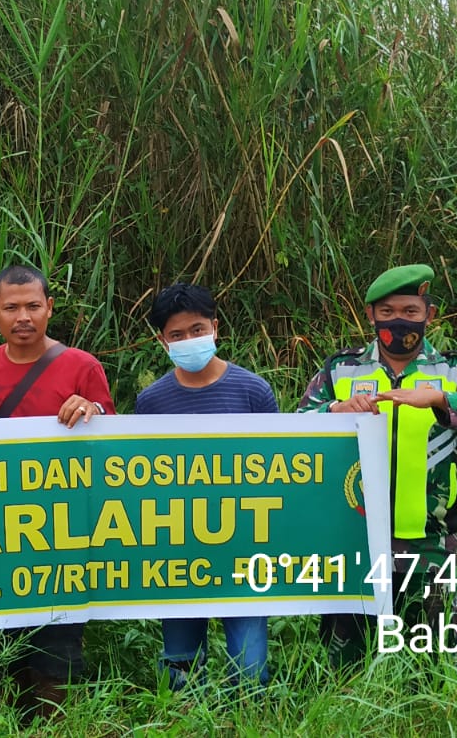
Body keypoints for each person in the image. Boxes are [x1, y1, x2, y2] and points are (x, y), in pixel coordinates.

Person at [296, 263, 457, 669]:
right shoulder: (341, 369)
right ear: (371, 316)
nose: (399, 321)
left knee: (438, 665)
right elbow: (297, 429)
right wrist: (336, 409)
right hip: (352, 537)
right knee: (346, 666)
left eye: (411, 312)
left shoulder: (453, 370)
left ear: (429, 315)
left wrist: (440, 401)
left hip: (428, 539)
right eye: (388, 311)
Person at [0, 264, 115, 717]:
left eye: (33, 306)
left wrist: (93, 408)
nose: (24, 316)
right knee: (1, 647)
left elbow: (115, 443)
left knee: (57, 647)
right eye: (12, 307)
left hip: (64, 528)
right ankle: (7, 721)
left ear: (49, 308)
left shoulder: (82, 366)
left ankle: (51, 725)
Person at [135, 283, 277, 691]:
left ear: (216, 327)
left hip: (246, 553)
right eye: (177, 335)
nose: (189, 341)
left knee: (251, 675)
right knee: (179, 673)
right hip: (178, 555)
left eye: (197, 330)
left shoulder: (254, 391)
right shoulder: (151, 401)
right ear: (162, 341)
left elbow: (282, 470)